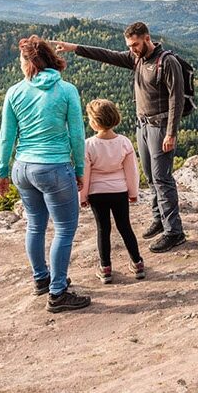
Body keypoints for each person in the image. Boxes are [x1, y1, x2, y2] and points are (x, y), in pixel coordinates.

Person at [51, 22, 186, 253]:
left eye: (135, 44)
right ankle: (159, 219)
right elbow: (106, 55)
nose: (132, 49)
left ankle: (174, 231)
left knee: (162, 178)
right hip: (142, 125)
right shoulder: (136, 59)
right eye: (129, 46)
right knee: (150, 177)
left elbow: (177, 99)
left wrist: (171, 132)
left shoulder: (167, 61)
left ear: (147, 38)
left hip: (160, 127)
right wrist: (75, 48)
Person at [0, 34, 90, 313]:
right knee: (64, 229)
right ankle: (58, 292)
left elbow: (6, 137)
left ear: (28, 63)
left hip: (23, 168)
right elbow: (77, 135)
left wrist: (2, 172)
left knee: (35, 225)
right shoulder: (66, 90)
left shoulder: (15, 92)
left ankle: (41, 279)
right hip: (53, 167)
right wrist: (80, 170)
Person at [80, 99, 145, 283]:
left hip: (97, 193)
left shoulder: (88, 145)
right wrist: (133, 193)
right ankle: (137, 262)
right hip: (119, 191)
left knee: (103, 229)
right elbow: (131, 170)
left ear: (94, 123)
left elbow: (85, 174)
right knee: (125, 226)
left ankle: (105, 268)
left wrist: (82, 197)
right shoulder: (124, 143)